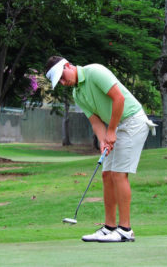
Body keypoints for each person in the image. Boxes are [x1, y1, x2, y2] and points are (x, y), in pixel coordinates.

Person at [45, 56, 156, 242]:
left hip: (133, 121)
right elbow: (95, 122)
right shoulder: (77, 94)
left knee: (119, 174)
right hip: (118, 125)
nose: (63, 82)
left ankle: (125, 230)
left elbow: (118, 98)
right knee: (107, 174)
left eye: (62, 77)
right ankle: (109, 227)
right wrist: (103, 139)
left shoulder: (95, 71)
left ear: (68, 65)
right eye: (60, 81)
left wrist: (111, 130)